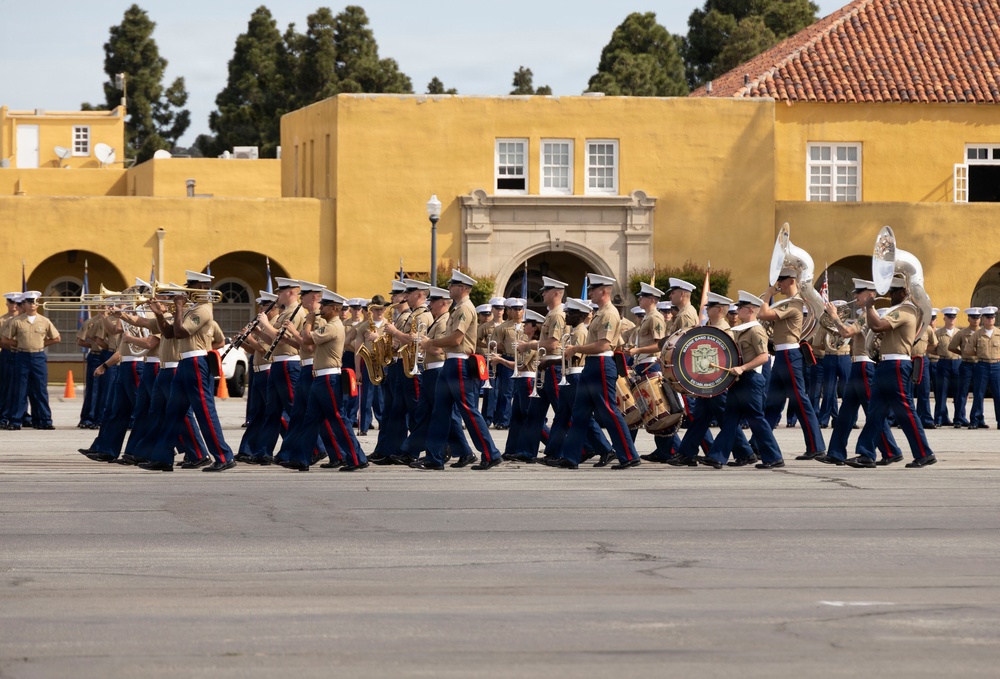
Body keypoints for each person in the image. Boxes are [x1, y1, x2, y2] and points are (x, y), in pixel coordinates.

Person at [135, 272, 235, 472]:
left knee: (204, 411)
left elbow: (181, 332)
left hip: (197, 361)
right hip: (184, 362)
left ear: (202, 288)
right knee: (172, 412)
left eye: (191, 287)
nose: (186, 291)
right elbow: (169, 333)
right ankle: (163, 458)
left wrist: (179, 306)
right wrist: (159, 314)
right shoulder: (191, 309)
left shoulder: (203, 309)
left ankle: (224, 456)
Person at [546, 274, 640, 470]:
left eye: (593, 290)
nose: (590, 293)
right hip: (592, 365)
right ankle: (570, 457)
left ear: (603, 291)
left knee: (608, 411)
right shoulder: (601, 313)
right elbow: (618, 343)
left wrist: (576, 349)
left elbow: (604, 345)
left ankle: (629, 455)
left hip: (601, 364)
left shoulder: (609, 314)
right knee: (579, 413)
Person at [411, 269, 502, 471]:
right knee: (440, 411)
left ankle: (491, 454)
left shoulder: (465, 308)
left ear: (462, 288)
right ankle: (434, 457)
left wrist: (430, 342)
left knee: (468, 410)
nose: (449, 288)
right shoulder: (459, 308)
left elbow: (457, 339)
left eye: (452, 285)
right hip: (451, 363)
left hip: (459, 363)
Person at [846, 274, 936, 469]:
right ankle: (866, 454)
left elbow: (877, 326)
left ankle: (924, 453)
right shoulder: (899, 310)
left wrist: (869, 307)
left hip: (896, 365)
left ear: (904, 293)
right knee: (875, 412)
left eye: (893, 291)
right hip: (886, 364)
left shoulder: (905, 310)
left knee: (905, 412)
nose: (890, 295)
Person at [815, 279, 903, 465]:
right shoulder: (863, 315)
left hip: (865, 367)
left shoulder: (868, 315)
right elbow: (843, 334)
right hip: (857, 366)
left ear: (870, 295)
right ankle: (836, 452)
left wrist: (834, 316)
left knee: (873, 411)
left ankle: (890, 451)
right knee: (846, 412)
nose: (855, 296)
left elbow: (847, 332)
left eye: (859, 292)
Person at [284, 290, 368, 471]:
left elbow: (307, 339)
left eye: (325, 306)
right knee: (310, 420)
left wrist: (309, 321)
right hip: (319, 377)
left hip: (329, 378)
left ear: (335, 308)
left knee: (338, 418)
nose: (321, 308)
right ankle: (302, 459)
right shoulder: (330, 324)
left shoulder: (333, 326)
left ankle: (356, 458)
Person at [391, 286, 473, 465]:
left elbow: (439, 350)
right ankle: (412, 450)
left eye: (434, 302)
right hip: (429, 370)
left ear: (443, 303)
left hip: (437, 370)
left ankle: (463, 451)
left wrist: (424, 343)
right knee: (425, 414)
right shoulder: (438, 321)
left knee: (444, 415)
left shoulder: (444, 322)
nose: (430, 305)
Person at [672, 293, 756, 467]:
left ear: (719, 310)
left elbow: (728, 358)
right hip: (707, 380)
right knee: (700, 418)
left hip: (717, 382)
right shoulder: (711, 329)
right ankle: (686, 453)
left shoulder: (725, 331)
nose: (706, 309)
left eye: (709, 307)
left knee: (724, 418)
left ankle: (745, 453)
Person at [704, 291, 783, 469]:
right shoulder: (741, 329)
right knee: (730, 419)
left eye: (741, 307)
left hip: (751, 379)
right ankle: (717, 456)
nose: (737, 310)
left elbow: (763, 357)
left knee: (756, 419)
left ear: (750, 310)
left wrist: (743, 367)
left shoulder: (756, 330)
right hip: (738, 380)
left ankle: (774, 457)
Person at [759, 268, 826, 459]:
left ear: (791, 281)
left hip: (790, 355)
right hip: (782, 355)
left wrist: (767, 295)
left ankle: (816, 446)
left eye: (781, 280)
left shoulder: (795, 303)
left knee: (800, 401)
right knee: (772, 402)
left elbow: (764, 314)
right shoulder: (786, 303)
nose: (778, 283)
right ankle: (758, 444)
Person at [250, 277, 306, 464]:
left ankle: (315, 447)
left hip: (288, 363)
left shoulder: (295, 312)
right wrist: (259, 332)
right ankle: (263, 452)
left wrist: (265, 324)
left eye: (281, 292)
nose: (278, 296)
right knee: (271, 411)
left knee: (293, 408)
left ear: (290, 292)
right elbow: (274, 339)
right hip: (277, 363)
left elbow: (282, 339)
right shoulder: (286, 312)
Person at [273, 281, 329, 465]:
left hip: (313, 367)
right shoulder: (309, 317)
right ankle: (288, 454)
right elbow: (301, 346)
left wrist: (292, 332)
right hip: (305, 366)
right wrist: (288, 338)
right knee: (297, 414)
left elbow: (310, 347)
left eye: (303, 295)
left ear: (314, 297)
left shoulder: (318, 319)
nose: (301, 297)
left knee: (314, 415)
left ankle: (327, 451)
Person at [514, 277, 568, 462]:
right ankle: (527, 451)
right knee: (534, 413)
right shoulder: (552, 314)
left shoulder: (557, 315)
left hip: (553, 366)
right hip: (545, 367)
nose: (542, 293)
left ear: (556, 293)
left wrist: (529, 345)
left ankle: (582, 448)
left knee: (562, 411)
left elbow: (553, 344)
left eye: (546, 291)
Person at [0, 291, 60, 430]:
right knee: (20, 390)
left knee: (40, 390)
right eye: (29, 302)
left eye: (34, 302)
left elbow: (56, 338)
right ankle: (16, 420)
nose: (32, 304)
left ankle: (44, 420)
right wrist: (19, 344)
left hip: (38, 356)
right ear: (24, 305)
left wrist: (40, 344)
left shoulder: (44, 321)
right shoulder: (17, 321)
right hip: (22, 356)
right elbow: (5, 339)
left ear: (37, 304)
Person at [491, 298, 524, 430]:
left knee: (521, 392)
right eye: (514, 309)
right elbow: (494, 344)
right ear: (509, 311)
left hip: (523, 361)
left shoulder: (527, 326)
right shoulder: (503, 327)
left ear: (523, 311)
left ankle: (518, 419)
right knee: (506, 392)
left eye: (519, 309)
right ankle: (504, 420)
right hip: (508, 358)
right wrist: (505, 349)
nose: (517, 312)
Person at [817, 301, 851, 428]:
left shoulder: (848, 326)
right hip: (830, 357)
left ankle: (848, 419)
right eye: (837, 310)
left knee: (847, 390)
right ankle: (824, 420)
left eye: (841, 311)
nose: (839, 313)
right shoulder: (824, 326)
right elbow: (817, 344)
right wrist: (829, 347)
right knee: (828, 390)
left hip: (844, 356)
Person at [948, 308, 980, 428]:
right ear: (968, 319)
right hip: (966, 364)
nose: (975, 320)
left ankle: (979, 419)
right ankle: (959, 419)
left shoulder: (983, 332)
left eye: (977, 318)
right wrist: (962, 353)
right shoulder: (962, 333)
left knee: (979, 393)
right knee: (962, 392)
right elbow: (951, 347)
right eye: (973, 318)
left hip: (980, 365)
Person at [969, 306, 1000, 430]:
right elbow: (968, 350)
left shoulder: (999, 333)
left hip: (996, 365)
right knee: (978, 393)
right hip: (982, 365)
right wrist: (982, 354)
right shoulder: (977, 334)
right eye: (987, 317)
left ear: (995, 318)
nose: (990, 319)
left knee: (998, 394)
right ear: (983, 319)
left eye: (992, 317)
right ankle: (976, 420)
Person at [933, 306, 961, 426]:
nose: (951, 319)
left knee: (958, 393)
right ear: (944, 318)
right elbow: (932, 348)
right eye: (949, 317)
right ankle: (939, 418)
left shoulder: (960, 333)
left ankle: (958, 419)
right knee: (941, 392)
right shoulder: (938, 333)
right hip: (943, 362)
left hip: (957, 362)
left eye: (953, 317)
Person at [911, 309, 938, 429]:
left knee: (924, 390)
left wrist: (924, 349)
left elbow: (934, 343)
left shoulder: (927, 328)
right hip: (908, 359)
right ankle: (909, 419)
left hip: (922, 360)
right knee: (908, 391)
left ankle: (925, 419)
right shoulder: (907, 326)